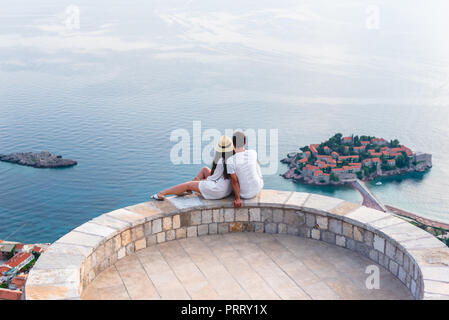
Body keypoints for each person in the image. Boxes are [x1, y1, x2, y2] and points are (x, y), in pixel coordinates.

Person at [151, 135, 234, 200]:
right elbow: (218, 175)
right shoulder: (233, 158)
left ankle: (161, 193)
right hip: (226, 189)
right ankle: (190, 190)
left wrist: (202, 181)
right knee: (204, 169)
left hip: (217, 190)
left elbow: (213, 178)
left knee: (188, 184)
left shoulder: (219, 160)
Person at [227, 131, 264, 208]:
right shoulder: (253, 153)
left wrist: (237, 199)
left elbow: (234, 181)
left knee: (232, 176)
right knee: (256, 163)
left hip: (245, 194)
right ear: (244, 142)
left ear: (233, 144)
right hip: (258, 188)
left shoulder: (230, 160)